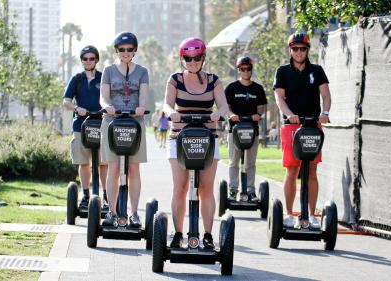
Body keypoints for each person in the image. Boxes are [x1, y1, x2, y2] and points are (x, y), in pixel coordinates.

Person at [163, 37, 229, 249]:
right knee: (180, 187)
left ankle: (208, 235)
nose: (193, 62)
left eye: (197, 58)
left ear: (203, 57)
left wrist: (217, 114)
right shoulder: (175, 79)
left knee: (206, 189)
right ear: (183, 59)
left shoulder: (214, 80)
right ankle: (178, 233)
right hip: (179, 139)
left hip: (207, 139)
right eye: (188, 59)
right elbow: (167, 104)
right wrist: (172, 113)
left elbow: (224, 107)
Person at [273, 33, 331, 229]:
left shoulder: (317, 70)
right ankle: (289, 214)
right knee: (292, 170)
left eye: (302, 49)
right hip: (292, 126)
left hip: (313, 125)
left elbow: (326, 95)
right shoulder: (282, 71)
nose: (299, 52)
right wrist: (289, 114)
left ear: (307, 50)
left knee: (312, 170)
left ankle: (312, 215)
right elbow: (279, 98)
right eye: (295, 48)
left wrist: (325, 112)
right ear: (290, 50)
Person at [99, 32, 149, 228]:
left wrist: (141, 107)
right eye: (122, 49)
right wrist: (107, 105)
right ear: (117, 51)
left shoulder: (142, 71)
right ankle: (112, 212)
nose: (126, 52)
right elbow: (103, 96)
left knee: (134, 169)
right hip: (112, 122)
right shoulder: (109, 70)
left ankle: (134, 213)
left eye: (130, 49)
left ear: (134, 50)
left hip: (135, 124)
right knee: (114, 168)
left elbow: (143, 95)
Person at [62, 45, 108, 209]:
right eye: (85, 58)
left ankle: (106, 197)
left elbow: (110, 98)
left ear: (96, 60)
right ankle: (86, 195)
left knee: (103, 163)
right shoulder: (77, 78)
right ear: (81, 60)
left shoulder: (103, 78)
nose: (88, 61)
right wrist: (76, 108)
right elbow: (66, 101)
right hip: (81, 126)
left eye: (91, 58)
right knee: (84, 162)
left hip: (101, 125)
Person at [224, 56, 267, 202]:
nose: (246, 71)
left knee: (250, 163)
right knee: (233, 162)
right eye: (243, 69)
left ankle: (250, 191)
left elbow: (261, 107)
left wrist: (258, 114)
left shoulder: (258, 89)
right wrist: (232, 115)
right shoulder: (231, 88)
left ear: (251, 69)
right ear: (239, 70)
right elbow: (226, 108)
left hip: (251, 130)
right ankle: (233, 190)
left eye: (248, 68)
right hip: (234, 130)